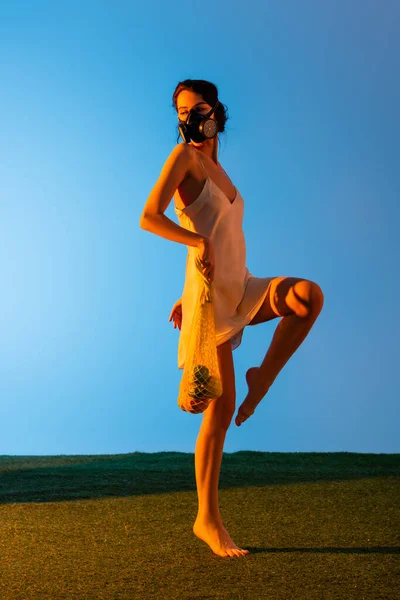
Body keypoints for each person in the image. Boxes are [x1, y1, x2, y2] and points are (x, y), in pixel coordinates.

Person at [140, 79, 324, 558]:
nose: (189, 118)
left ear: (216, 113)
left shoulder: (219, 167)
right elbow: (150, 217)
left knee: (307, 297)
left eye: (197, 109)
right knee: (220, 409)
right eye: (181, 111)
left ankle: (262, 378)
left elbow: (217, 231)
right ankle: (207, 520)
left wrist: (203, 254)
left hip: (241, 286)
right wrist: (195, 259)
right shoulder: (183, 159)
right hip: (211, 302)